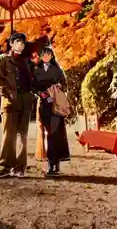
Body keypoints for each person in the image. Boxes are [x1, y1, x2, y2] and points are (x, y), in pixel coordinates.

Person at [0, 32, 34, 178]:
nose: (20, 44)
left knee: (23, 136)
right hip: (10, 102)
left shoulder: (28, 61)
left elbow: (33, 79)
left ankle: (20, 167)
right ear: (11, 43)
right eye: (17, 41)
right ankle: (4, 166)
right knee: (9, 135)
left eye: (22, 42)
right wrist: (6, 92)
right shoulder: (3, 59)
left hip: (26, 101)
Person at [32, 46, 70, 176]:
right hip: (44, 105)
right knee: (47, 133)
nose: (46, 56)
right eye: (44, 54)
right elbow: (33, 86)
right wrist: (42, 94)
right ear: (41, 56)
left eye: (48, 54)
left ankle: (55, 165)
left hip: (56, 105)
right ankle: (51, 163)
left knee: (54, 134)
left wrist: (59, 86)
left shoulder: (57, 70)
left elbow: (65, 83)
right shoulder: (37, 70)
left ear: (52, 56)